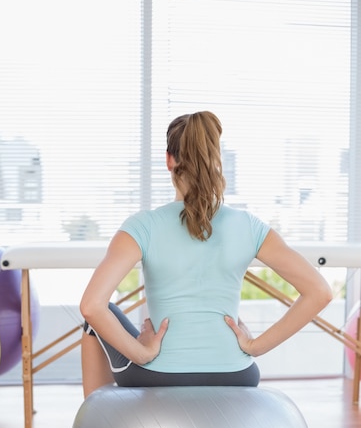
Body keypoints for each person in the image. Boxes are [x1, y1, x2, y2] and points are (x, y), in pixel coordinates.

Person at [80, 111, 332, 399]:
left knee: (95, 320)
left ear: (169, 160)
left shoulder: (142, 226)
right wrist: (255, 346)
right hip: (237, 374)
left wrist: (142, 352)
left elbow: (91, 305)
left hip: (159, 374)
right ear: (217, 160)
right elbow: (320, 292)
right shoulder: (249, 225)